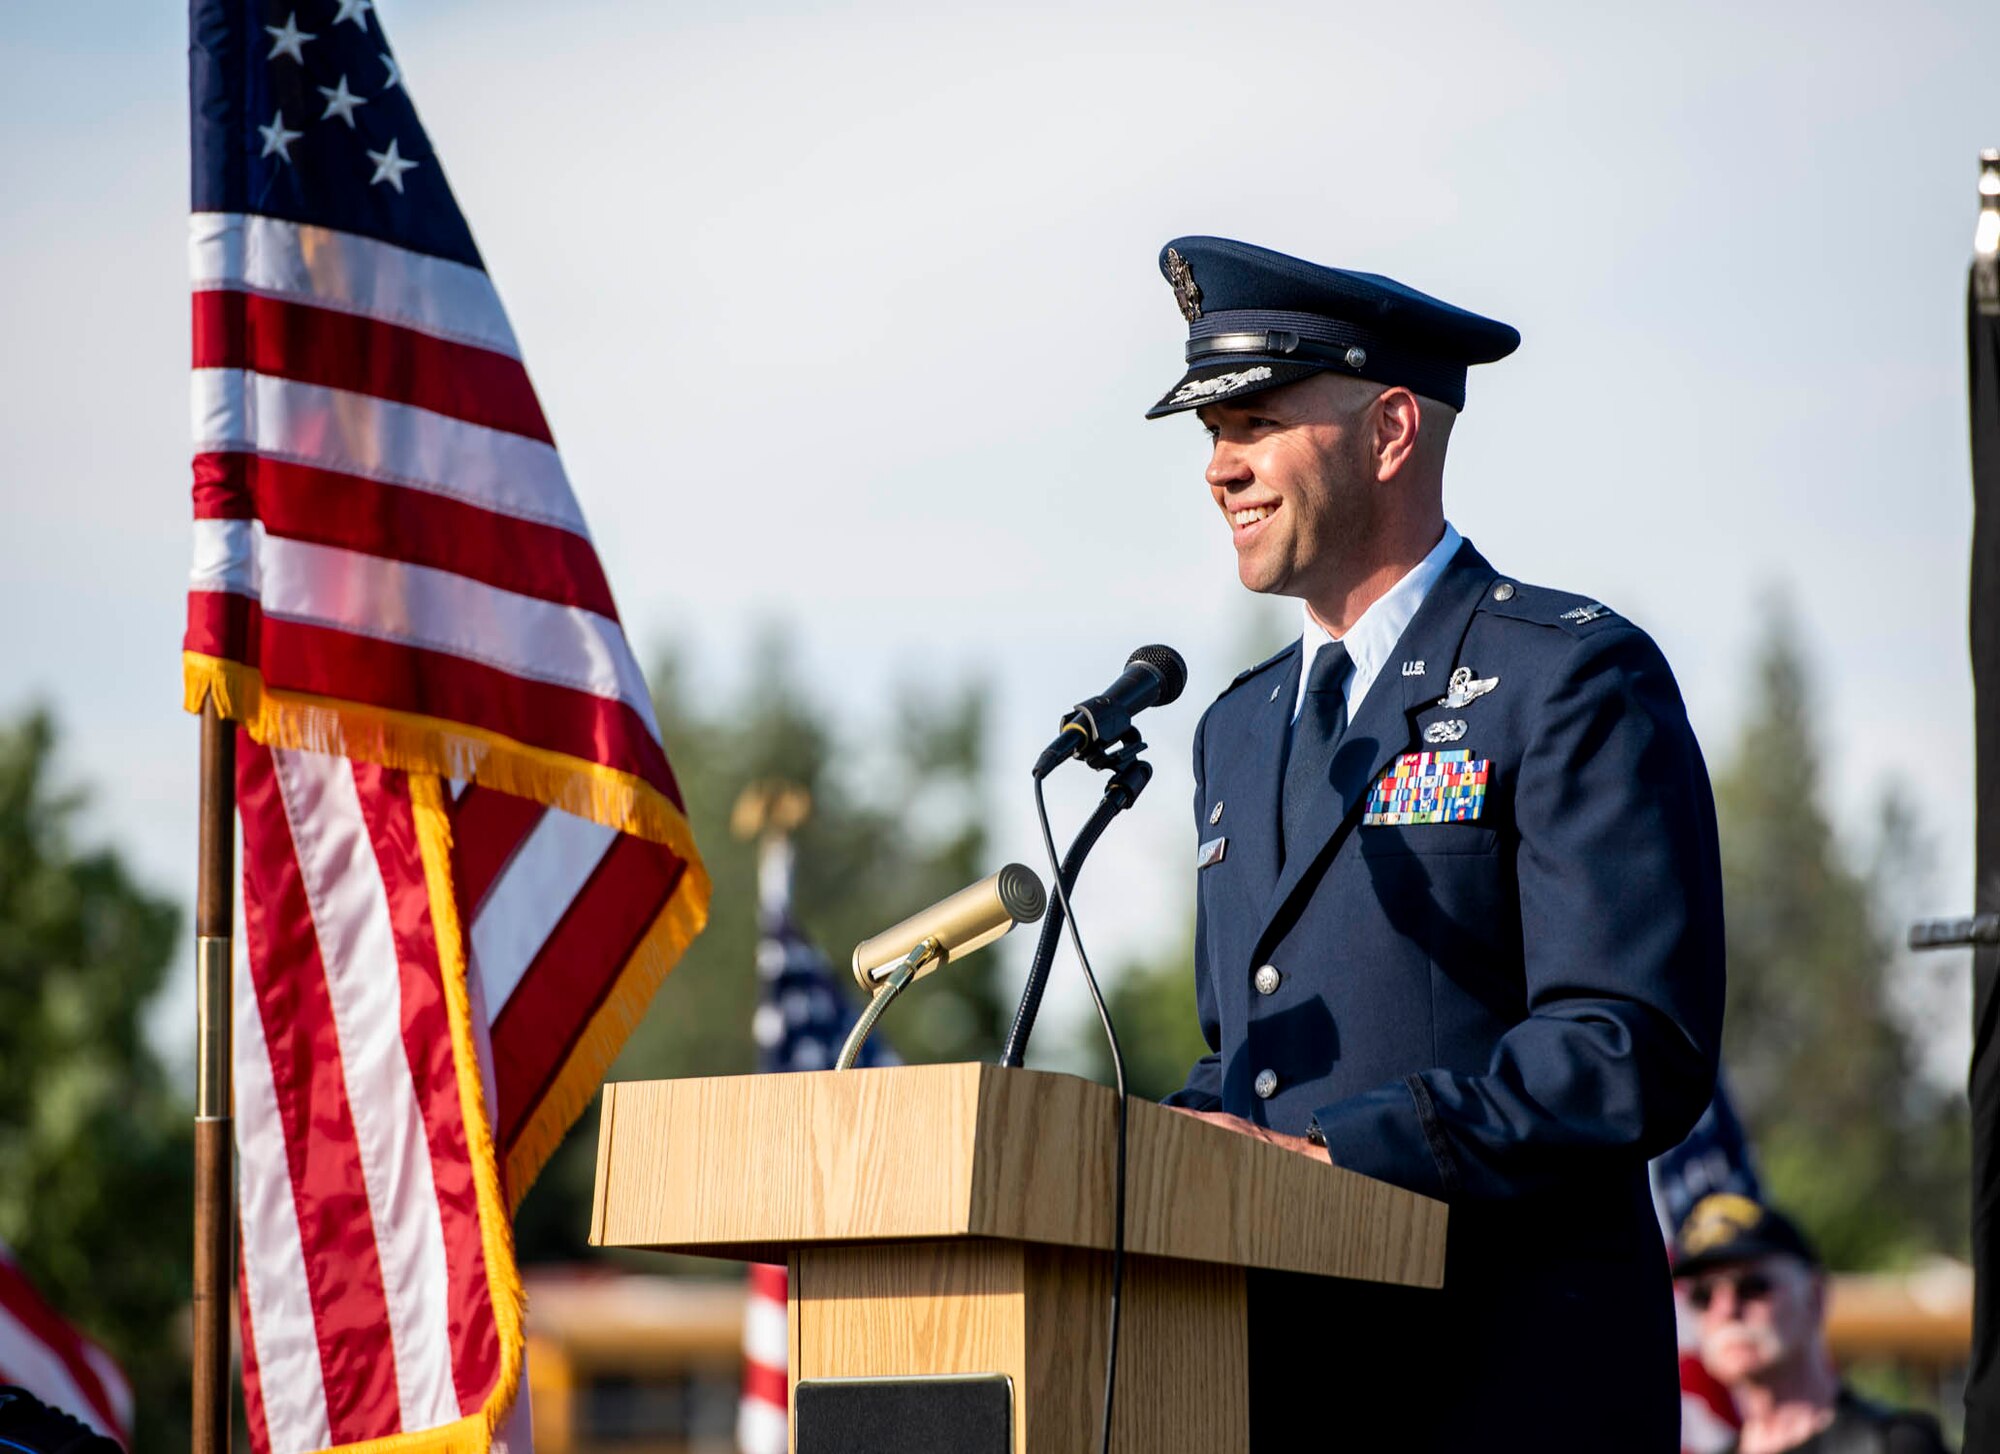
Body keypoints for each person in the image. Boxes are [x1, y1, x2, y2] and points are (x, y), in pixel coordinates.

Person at [1146, 235, 1727, 1451]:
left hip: (1503, 1383)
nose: (1218, 466)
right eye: (1207, 434)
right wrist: (1149, 1153)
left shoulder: (1565, 676)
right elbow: (1243, 1060)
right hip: (1272, 1389)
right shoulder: (1235, 729)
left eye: (1250, 420)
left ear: (1391, 429)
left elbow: (1624, 1046)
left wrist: (1333, 1156)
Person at [1673, 1194, 1952, 1454]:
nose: (1726, 1310)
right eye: (1703, 1296)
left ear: (1815, 1297)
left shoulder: (1895, 1445)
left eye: (1752, 1287)